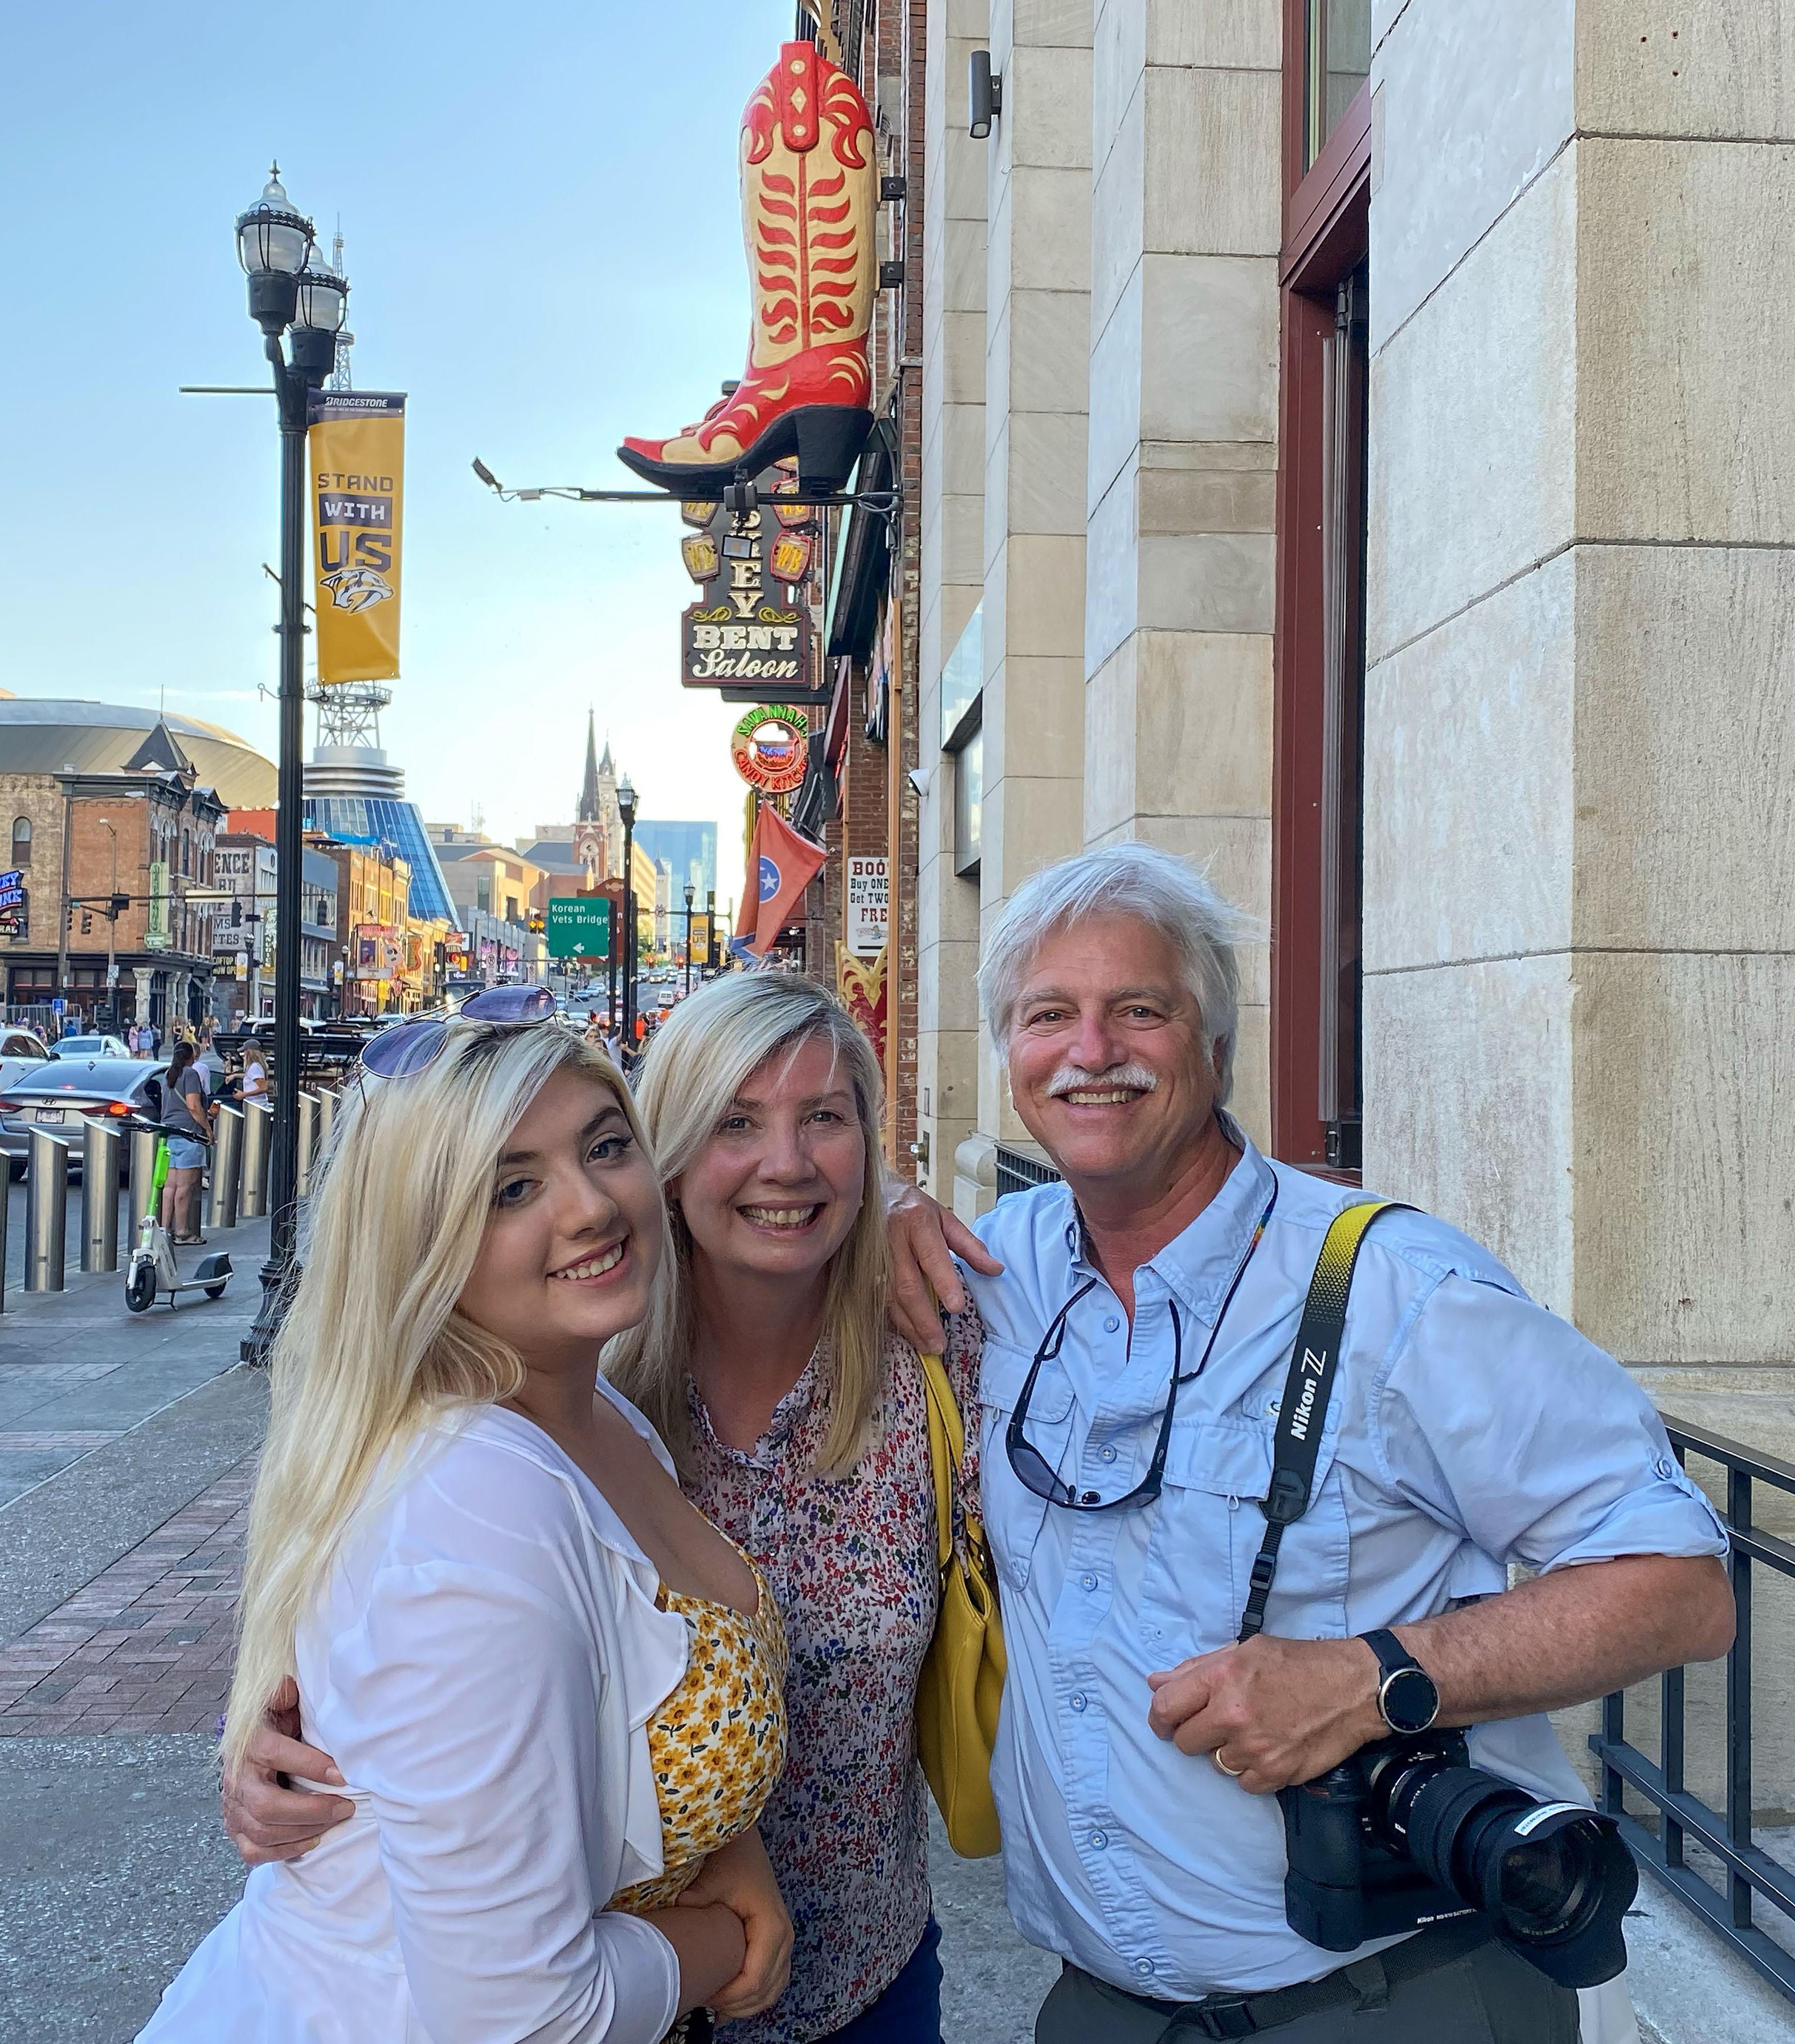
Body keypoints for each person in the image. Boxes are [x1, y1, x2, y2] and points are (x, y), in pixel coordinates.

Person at [886, 843, 1733, 2042]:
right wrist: (875, 1205)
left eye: (1139, 1008)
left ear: (1213, 1044)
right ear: (1009, 1054)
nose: (1090, 1051)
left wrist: (1369, 1676)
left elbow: (1678, 1589)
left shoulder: (1395, 1289)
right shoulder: (995, 1270)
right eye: (1046, 1015)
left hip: (1390, 2001)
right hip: (1100, 2010)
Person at [225, 973, 982, 2044]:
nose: (787, 1159)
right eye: (510, 1186)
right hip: (652, 2000)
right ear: (675, 1155)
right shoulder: (559, 1391)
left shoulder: (914, 1358)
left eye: (826, 1117)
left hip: (868, 1980)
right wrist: (285, 1743)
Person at [139, 1003, 792, 2044]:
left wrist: (726, 1841)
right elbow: (518, 2017)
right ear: (420, 1236)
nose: (590, 1204)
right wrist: (724, 1940)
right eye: (511, 1187)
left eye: (606, 1145)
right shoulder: (476, 1499)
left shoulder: (597, 1406)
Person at [157, 1040, 212, 1246]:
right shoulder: (190, 1074)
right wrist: (207, 1129)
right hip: (189, 1135)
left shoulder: (169, 1074)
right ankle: (182, 1232)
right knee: (185, 1188)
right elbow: (194, 1106)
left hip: (170, 1135)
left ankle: (165, 1230)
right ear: (193, 1057)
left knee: (170, 1187)